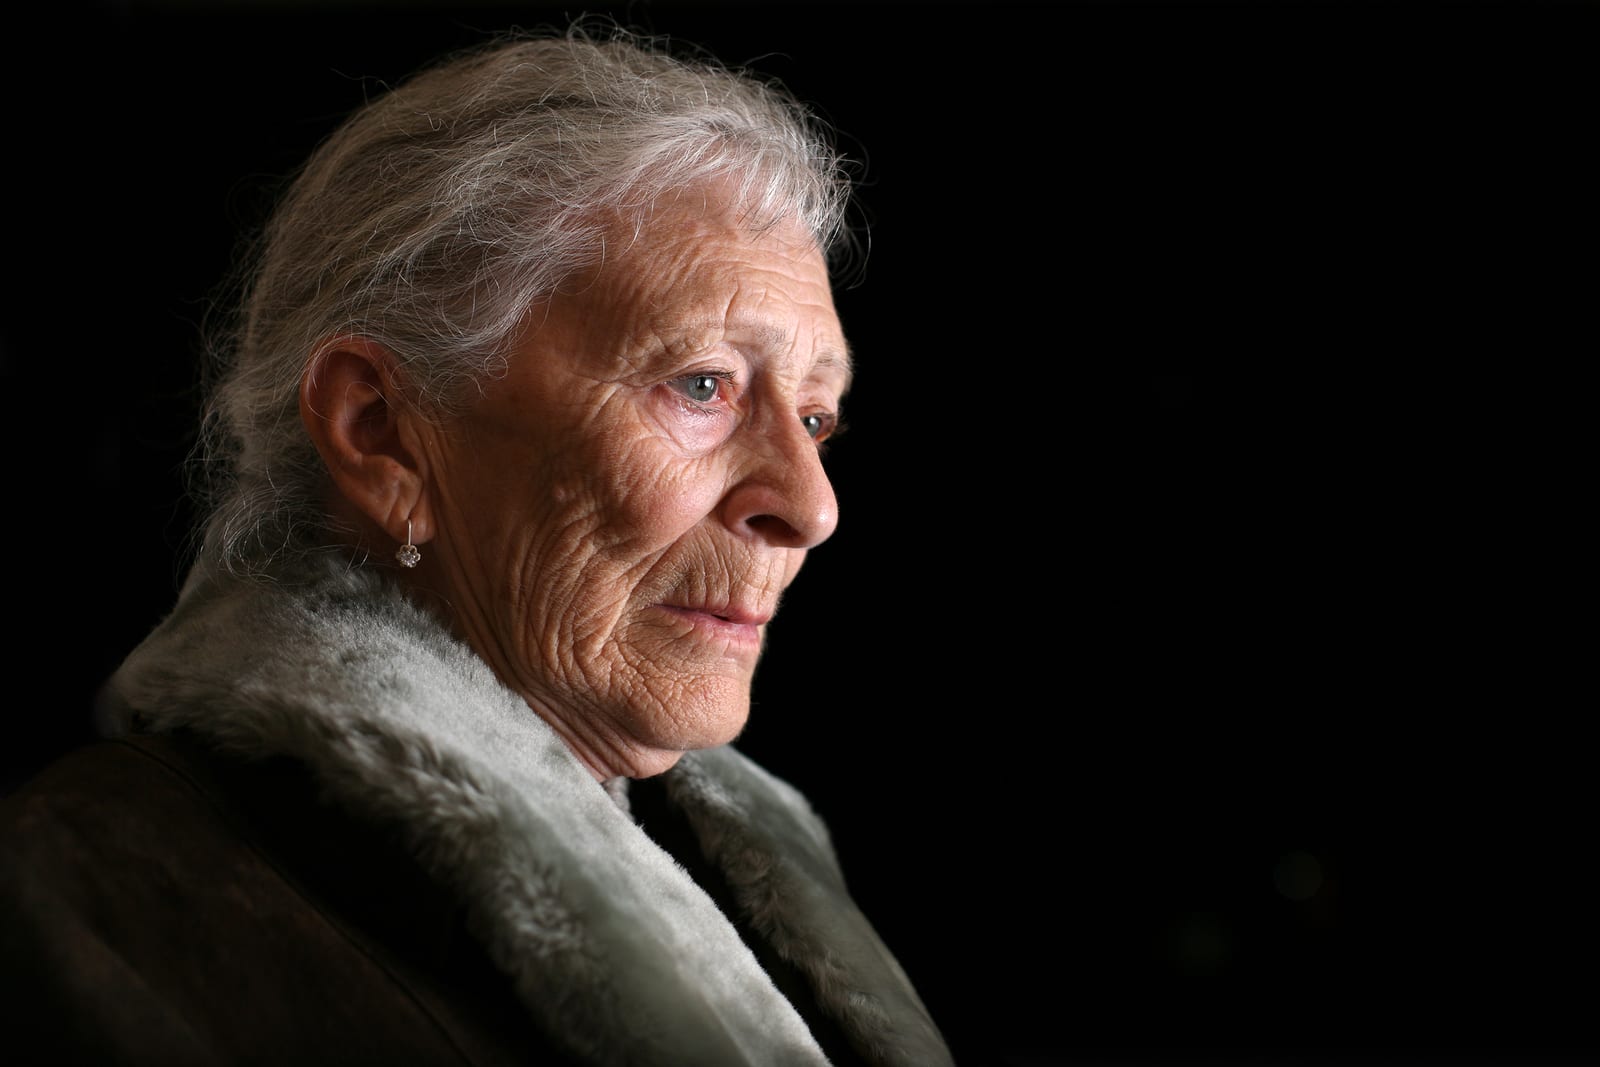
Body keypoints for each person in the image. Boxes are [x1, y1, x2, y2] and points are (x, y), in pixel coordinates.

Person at [0, 20, 953, 1067]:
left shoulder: (752, 889)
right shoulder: (91, 893)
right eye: (700, 384)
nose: (809, 507)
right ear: (382, 431)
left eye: (815, 416)